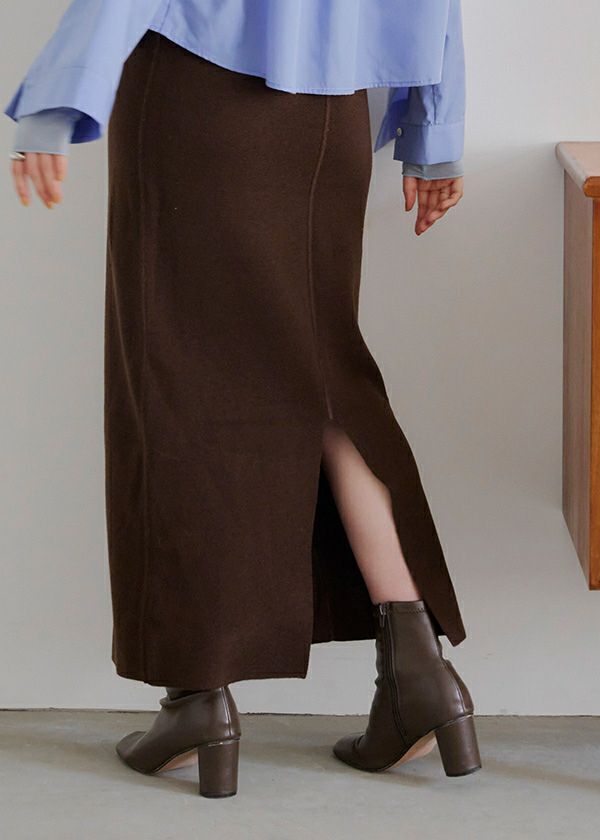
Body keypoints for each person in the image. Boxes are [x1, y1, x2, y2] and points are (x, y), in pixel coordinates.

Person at [6, 0, 480, 798]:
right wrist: (436, 131)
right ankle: (419, 673)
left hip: (197, 91)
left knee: (176, 380)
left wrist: (58, 101)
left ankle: (197, 700)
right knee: (324, 378)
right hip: (331, 116)